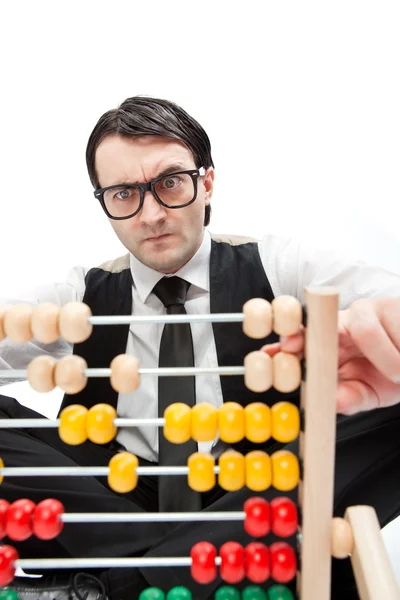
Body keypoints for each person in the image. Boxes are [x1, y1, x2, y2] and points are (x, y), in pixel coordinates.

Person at [0, 95, 400, 600]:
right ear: (103, 202)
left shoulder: (281, 266)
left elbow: (392, 304)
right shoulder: (78, 297)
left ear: (206, 182)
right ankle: (196, 562)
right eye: (124, 193)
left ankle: (117, 585)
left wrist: (383, 327)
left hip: (250, 491)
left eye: (169, 183)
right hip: (113, 500)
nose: (150, 215)